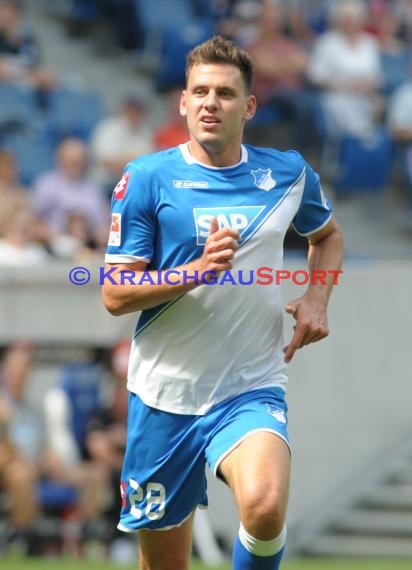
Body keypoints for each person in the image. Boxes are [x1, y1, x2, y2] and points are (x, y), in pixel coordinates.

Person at [101, 35, 343, 570]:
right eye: (201, 92)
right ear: (183, 102)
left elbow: (326, 236)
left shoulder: (286, 174)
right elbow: (115, 294)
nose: (211, 102)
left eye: (226, 94)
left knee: (264, 504)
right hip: (164, 396)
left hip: (250, 387)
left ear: (249, 107)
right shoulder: (146, 179)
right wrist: (195, 272)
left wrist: (317, 297)